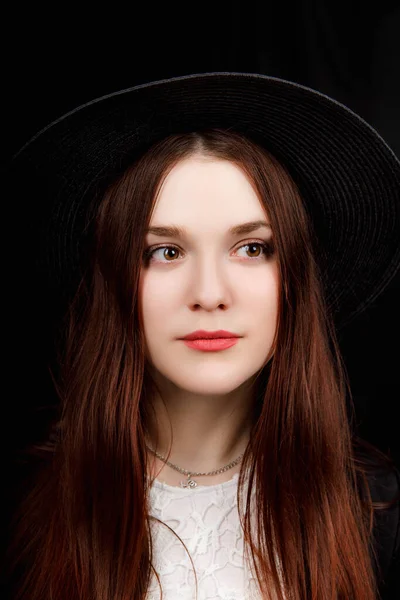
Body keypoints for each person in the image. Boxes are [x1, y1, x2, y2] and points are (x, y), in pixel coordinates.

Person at [2, 72, 400, 600]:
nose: (209, 293)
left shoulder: (377, 513)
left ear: (295, 281)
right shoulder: (23, 509)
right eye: (165, 251)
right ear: (116, 280)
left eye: (252, 248)